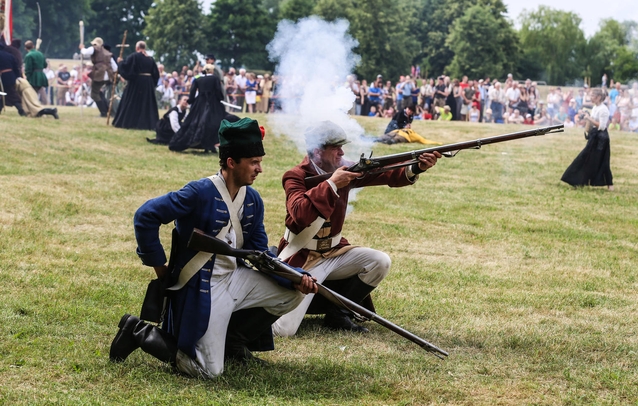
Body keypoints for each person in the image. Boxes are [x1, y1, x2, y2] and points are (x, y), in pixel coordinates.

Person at [109, 118, 317, 378]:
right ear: (231, 162)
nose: (259, 169)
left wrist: (294, 278)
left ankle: (233, 343)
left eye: (259, 162)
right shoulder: (198, 192)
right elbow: (145, 215)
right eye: (253, 162)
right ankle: (138, 331)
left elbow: (261, 254)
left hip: (235, 278)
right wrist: (160, 268)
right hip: (202, 286)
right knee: (208, 371)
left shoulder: (252, 200)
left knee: (292, 294)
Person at [271, 121, 440, 336]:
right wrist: (331, 184)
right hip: (304, 256)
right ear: (317, 151)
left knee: (379, 261)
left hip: (334, 251)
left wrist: (417, 167)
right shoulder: (295, 176)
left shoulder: (345, 169)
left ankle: (339, 313)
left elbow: (385, 173)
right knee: (283, 331)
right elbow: (300, 213)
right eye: (336, 149)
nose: (342, 153)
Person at [169, 64, 239, 153]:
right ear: (212, 71)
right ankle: (211, 144)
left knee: (197, 123)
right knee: (216, 123)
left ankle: (204, 145)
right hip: (213, 104)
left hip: (200, 104)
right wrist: (220, 99)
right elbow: (218, 91)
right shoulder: (215, 78)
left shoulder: (198, 79)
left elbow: (192, 92)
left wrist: (191, 101)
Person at [561, 88, 614, 190]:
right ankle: (578, 181)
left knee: (603, 162)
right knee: (586, 158)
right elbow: (593, 122)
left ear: (598, 97)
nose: (590, 98)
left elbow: (602, 126)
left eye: (592, 96)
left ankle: (610, 185)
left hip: (601, 138)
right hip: (594, 136)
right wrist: (586, 117)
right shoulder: (595, 108)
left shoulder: (603, 109)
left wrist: (589, 118)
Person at [113, 41, 160, 130]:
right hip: (148, 84)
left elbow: (127, 67)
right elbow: (156, 74)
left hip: (137, 83)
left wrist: (120, 63)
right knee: (146, 104)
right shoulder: (150, 59)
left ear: (137, 48)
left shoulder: (134, 56)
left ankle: (130, 123)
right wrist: (151, 84)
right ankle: (147, 124)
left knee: (132, 102)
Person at [80, 37, 117, 117]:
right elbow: (115, 67)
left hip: (100, 74)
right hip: (108, 75)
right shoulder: (107, 52)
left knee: (94, 94)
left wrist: (82, 48)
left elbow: (85, 52)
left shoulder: (95, 48)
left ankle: (104, 112)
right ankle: (107, 110)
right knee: (99, 92)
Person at [0, 41, 25, 115]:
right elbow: (16, 67)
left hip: (2, 77)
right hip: (10, 77)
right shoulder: (10, 56)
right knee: (8, 93)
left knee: (9, 94)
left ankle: (21, 110)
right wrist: (17, 77)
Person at [23, 41, 49, 105]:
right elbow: (45, 65)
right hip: (41, 74)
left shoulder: (28, 56)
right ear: (33, 46)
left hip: (33, 76)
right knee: (41, 90)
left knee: (33, 92)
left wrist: (28, 78)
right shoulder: (40, 54)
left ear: (25, 48)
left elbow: (28, 69)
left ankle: (35, 104)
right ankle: (44, 102)